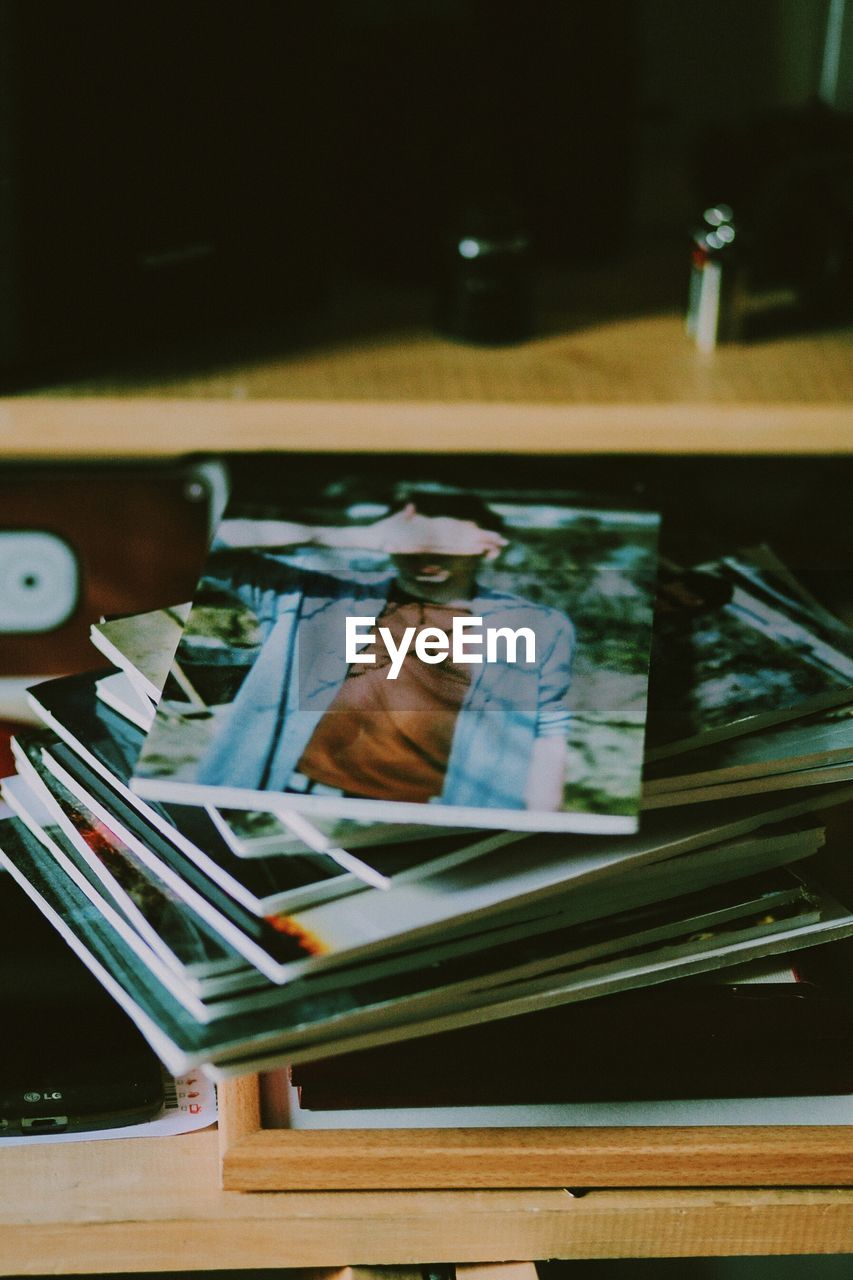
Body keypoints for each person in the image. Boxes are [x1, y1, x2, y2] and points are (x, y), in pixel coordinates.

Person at [191, 496, 574, 812]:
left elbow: (548, 734)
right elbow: (189, 542)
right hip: (283, 800)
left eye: (444, 542)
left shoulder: (537, 625)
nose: (425, 554)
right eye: (414, 538)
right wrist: (363, 537)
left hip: (425, 819)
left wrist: (545, 827)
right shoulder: (314, 595)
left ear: (487, 548)